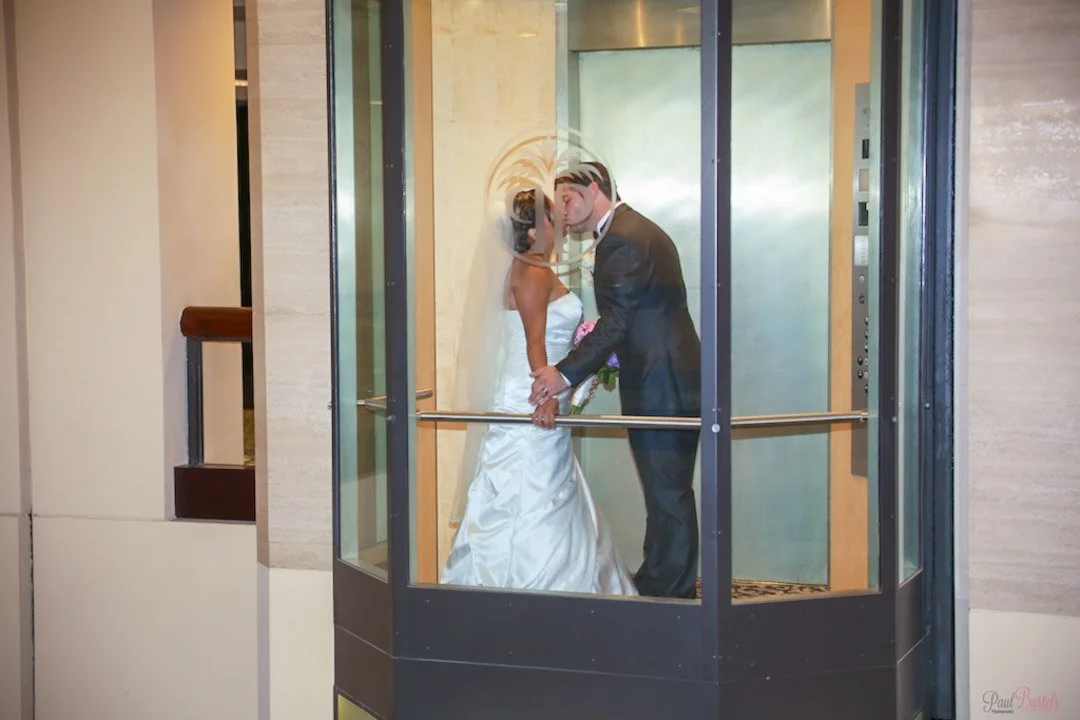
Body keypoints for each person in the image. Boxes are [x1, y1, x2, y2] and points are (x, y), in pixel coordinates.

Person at [440, 188, 637, 595]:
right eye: (550, 218)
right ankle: (537, 590)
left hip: (538, 388)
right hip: (530, 396)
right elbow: (534, 341)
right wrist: (545, 396)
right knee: (534, 495)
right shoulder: (531, 272)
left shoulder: (534, 269)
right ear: (532, 232)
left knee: (544, 492)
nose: (558, 224)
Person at [530, 163, 701, 599]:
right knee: (663, 486)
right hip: (665, 374)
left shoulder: (623, 237)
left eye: (568, 199)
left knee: (667, 489)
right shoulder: (630, 229)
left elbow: (617, 322)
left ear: (594, 189)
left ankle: (671, 593)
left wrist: (563, 373)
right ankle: (660, 578)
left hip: (662, 381)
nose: (564, 212)